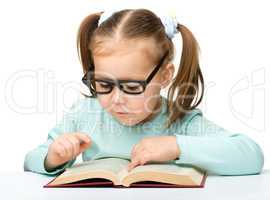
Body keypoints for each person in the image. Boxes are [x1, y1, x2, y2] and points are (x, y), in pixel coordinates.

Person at [24, 8, 264, 176]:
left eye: (131, 87)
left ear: (165, 75)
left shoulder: (180, 121)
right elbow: (31, 160)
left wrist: (177, 146)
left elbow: (250, 156)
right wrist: (53, 157)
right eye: (104, 85)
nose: (116, 99)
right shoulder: (85, 114)